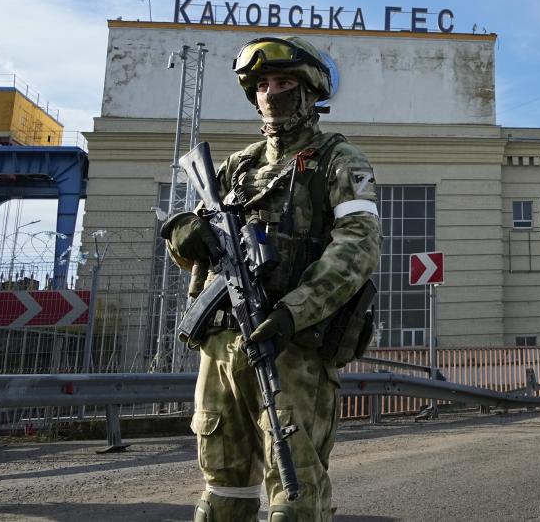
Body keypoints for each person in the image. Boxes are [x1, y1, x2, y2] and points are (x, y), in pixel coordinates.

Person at [161, 36, 382, 522]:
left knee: (295, 495)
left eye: (283, 82)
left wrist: (293, 312)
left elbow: (358, 247)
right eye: (262, 84)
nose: (271, 93)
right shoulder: (237, 167)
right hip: (222, 345)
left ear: (309, 93)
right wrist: (185, 235)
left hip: (292, 347)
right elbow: (188, 244)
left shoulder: (339, 161)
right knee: (222, 492)